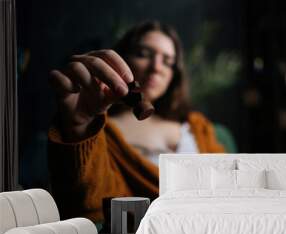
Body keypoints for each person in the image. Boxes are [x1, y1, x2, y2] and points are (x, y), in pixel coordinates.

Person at [48, 21, 225, 222]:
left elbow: (230, 189)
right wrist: (79, 127)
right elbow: (93, 207)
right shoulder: (98, 130)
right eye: (143, 54)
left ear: (174, 75)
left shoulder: (196, 126)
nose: (156, 68)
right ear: (122, 59)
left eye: (167, 61)